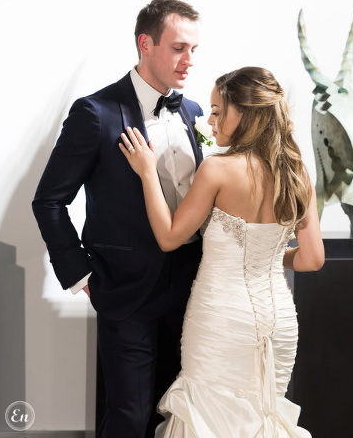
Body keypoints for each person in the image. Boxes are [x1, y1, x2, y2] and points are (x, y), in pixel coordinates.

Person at [118, 66, 325, 436]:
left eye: (216, 110)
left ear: (243, 114)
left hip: (221, 321)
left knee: (208, 416)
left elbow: (169, 237)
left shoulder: (217, 170)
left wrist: (148, 173)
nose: (209, 120)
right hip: (279, 323)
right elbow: (311, 259)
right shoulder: (298, 174)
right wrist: (266, 256)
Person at [32, 0, 204, 437]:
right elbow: (49, 200)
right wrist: (81, 274)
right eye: (178, 48)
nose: (189, 60)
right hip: (126, 292)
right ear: (145, 44)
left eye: (193, 50)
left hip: (194, 290)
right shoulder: (95, 113)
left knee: (177, 415)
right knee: (129, 416)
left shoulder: (195, 113)